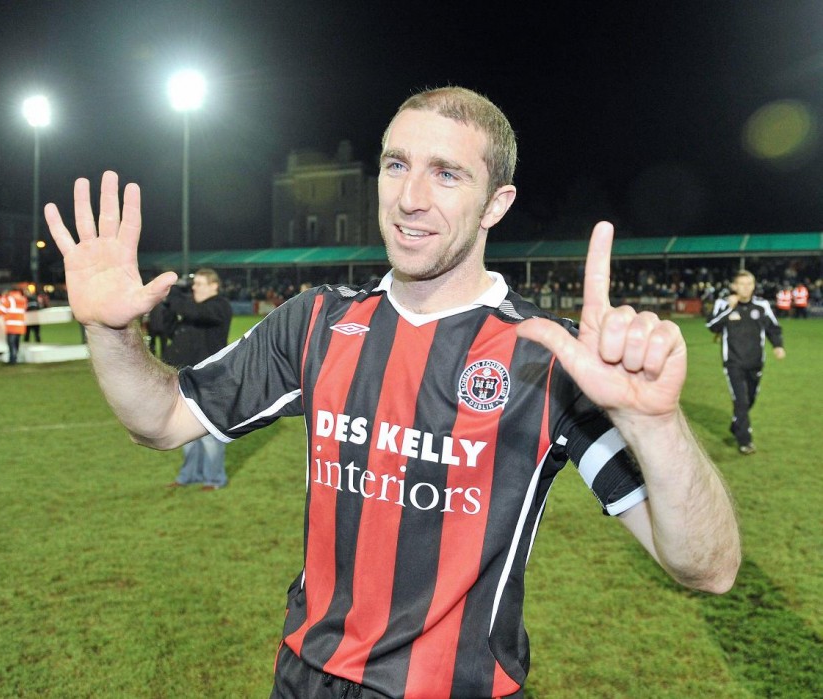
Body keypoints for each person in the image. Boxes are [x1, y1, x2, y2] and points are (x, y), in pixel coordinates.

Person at [45, 86, 740, 698]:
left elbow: (707, 567)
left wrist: (657, 423)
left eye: (446, 173)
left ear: (496, 203)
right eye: (397, 164)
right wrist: (110, 332)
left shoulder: (549, 355)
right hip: (304, 678)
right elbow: (162, 418)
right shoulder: (315, 322)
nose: (411, 197)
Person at [161, 269, 233, 490]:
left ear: (214, 286)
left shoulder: (219, 306)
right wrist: (165, 304)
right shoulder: (191, 309)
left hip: (209, 380)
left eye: (200, 284)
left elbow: (196, 313)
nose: (194, 287)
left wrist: (173, 294)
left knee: (210, 434)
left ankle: (214, 479)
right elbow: (163, 327)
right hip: (185, 379)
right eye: (194, 284)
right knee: (188, 434)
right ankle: (188, 476)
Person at [706, 270, 784, 455]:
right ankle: (745, 441)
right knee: (740, 401)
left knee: (749, 400)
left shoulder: (762, 305)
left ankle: (736, 425)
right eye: (741, 284)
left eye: (749, 284)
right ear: (734, 286)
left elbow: (773, 328)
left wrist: (778, 346)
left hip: (756, 362)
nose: (746, 288)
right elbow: (711, 326)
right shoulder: (723, 303)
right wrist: (729, 309)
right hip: (733, 363)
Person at [0, 288, 27, 364]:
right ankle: (15, 358)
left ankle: (12, 360)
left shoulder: (10, 299)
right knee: (16, 343)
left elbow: (1, 310)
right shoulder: (23, 299)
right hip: (20, 325)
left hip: (11, 326)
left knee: (11, 344)